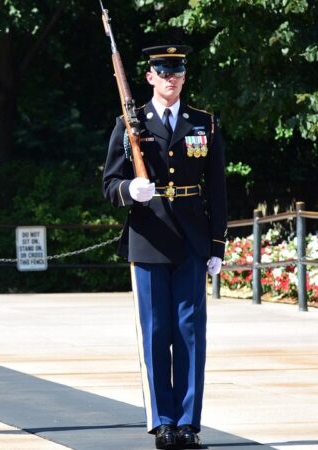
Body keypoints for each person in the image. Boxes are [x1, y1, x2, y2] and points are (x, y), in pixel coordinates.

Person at [102, 45, 227, 450]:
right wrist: (128, 189)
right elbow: (109, 184)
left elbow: (218, 190)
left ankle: (189, 422)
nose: (170, 78)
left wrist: (217, 245)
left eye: (177, 71)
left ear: (184, 77)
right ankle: (163, 422)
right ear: (150, 76)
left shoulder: (203, 123)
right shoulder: (130, 123)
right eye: (163, 71)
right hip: (149, 236)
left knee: (191, 333)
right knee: (156, 334)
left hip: (191, 239)